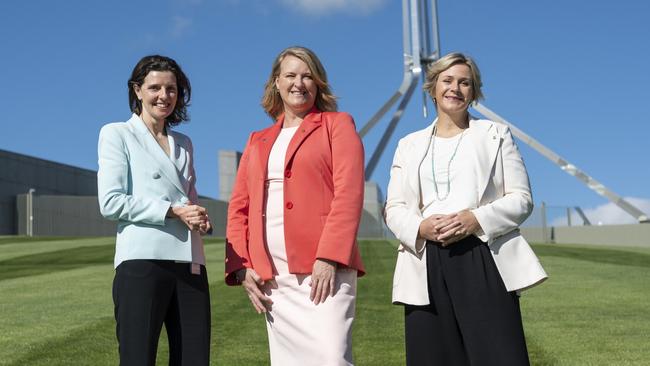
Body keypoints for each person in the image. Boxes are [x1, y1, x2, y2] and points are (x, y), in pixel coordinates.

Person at [384, 52, 547, 366]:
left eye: (464, 83)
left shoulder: (495, 135)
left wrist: (474, 219)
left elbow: (521, 199)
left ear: (474, 92)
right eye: (447, 80)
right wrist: (420, 228)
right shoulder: (409, 144)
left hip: (483, 257)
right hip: (425, 260)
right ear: (433, 88)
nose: (455, 88)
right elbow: (394, 207)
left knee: (499, 356)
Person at [225, 46, 365, 365]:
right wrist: (241, 266)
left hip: (324, 271)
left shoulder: (337, 125)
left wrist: (329, 256)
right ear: (276, 82)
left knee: (332, 358)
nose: (298, 83)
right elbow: (239, 208)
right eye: (290, 75)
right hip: (273, 278)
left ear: (318, 84)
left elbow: (349, 192)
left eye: (307, 76)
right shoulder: (256, 139)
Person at [97, 55, 212, 365]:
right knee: (138, 358)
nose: (164, 96)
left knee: (195, 358)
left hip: (190, 262)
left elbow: (188, 196)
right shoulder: (117, 133)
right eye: (155, 87)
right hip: (142, 260)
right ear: (137, 90)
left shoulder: (184, 142)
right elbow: (111, 202)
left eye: (172, 89)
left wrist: (198, 217)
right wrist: (173, 211)